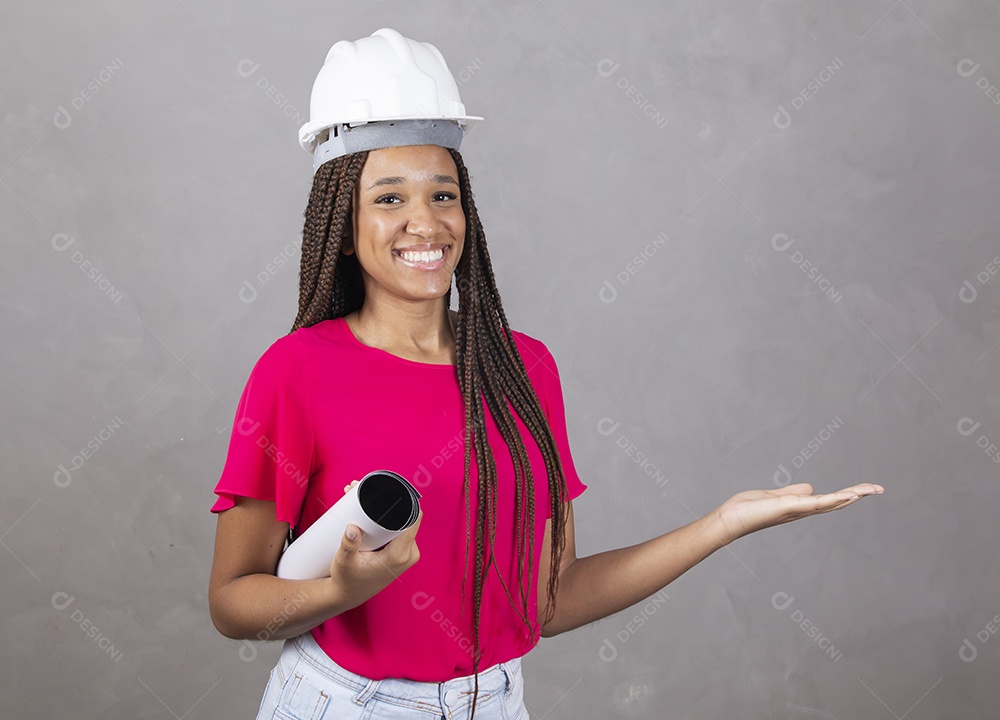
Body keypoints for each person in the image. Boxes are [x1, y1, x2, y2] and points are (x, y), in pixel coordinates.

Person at [207, 28, 884, 720]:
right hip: (348, 704)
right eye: (388, 199)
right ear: (342, 227)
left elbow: (547, 600)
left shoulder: (520, 366)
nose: (424, 223)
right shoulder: (297, 372)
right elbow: (234, 604)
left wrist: (722, 524)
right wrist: (338, 592)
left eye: (443, 195)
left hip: (496, 702)